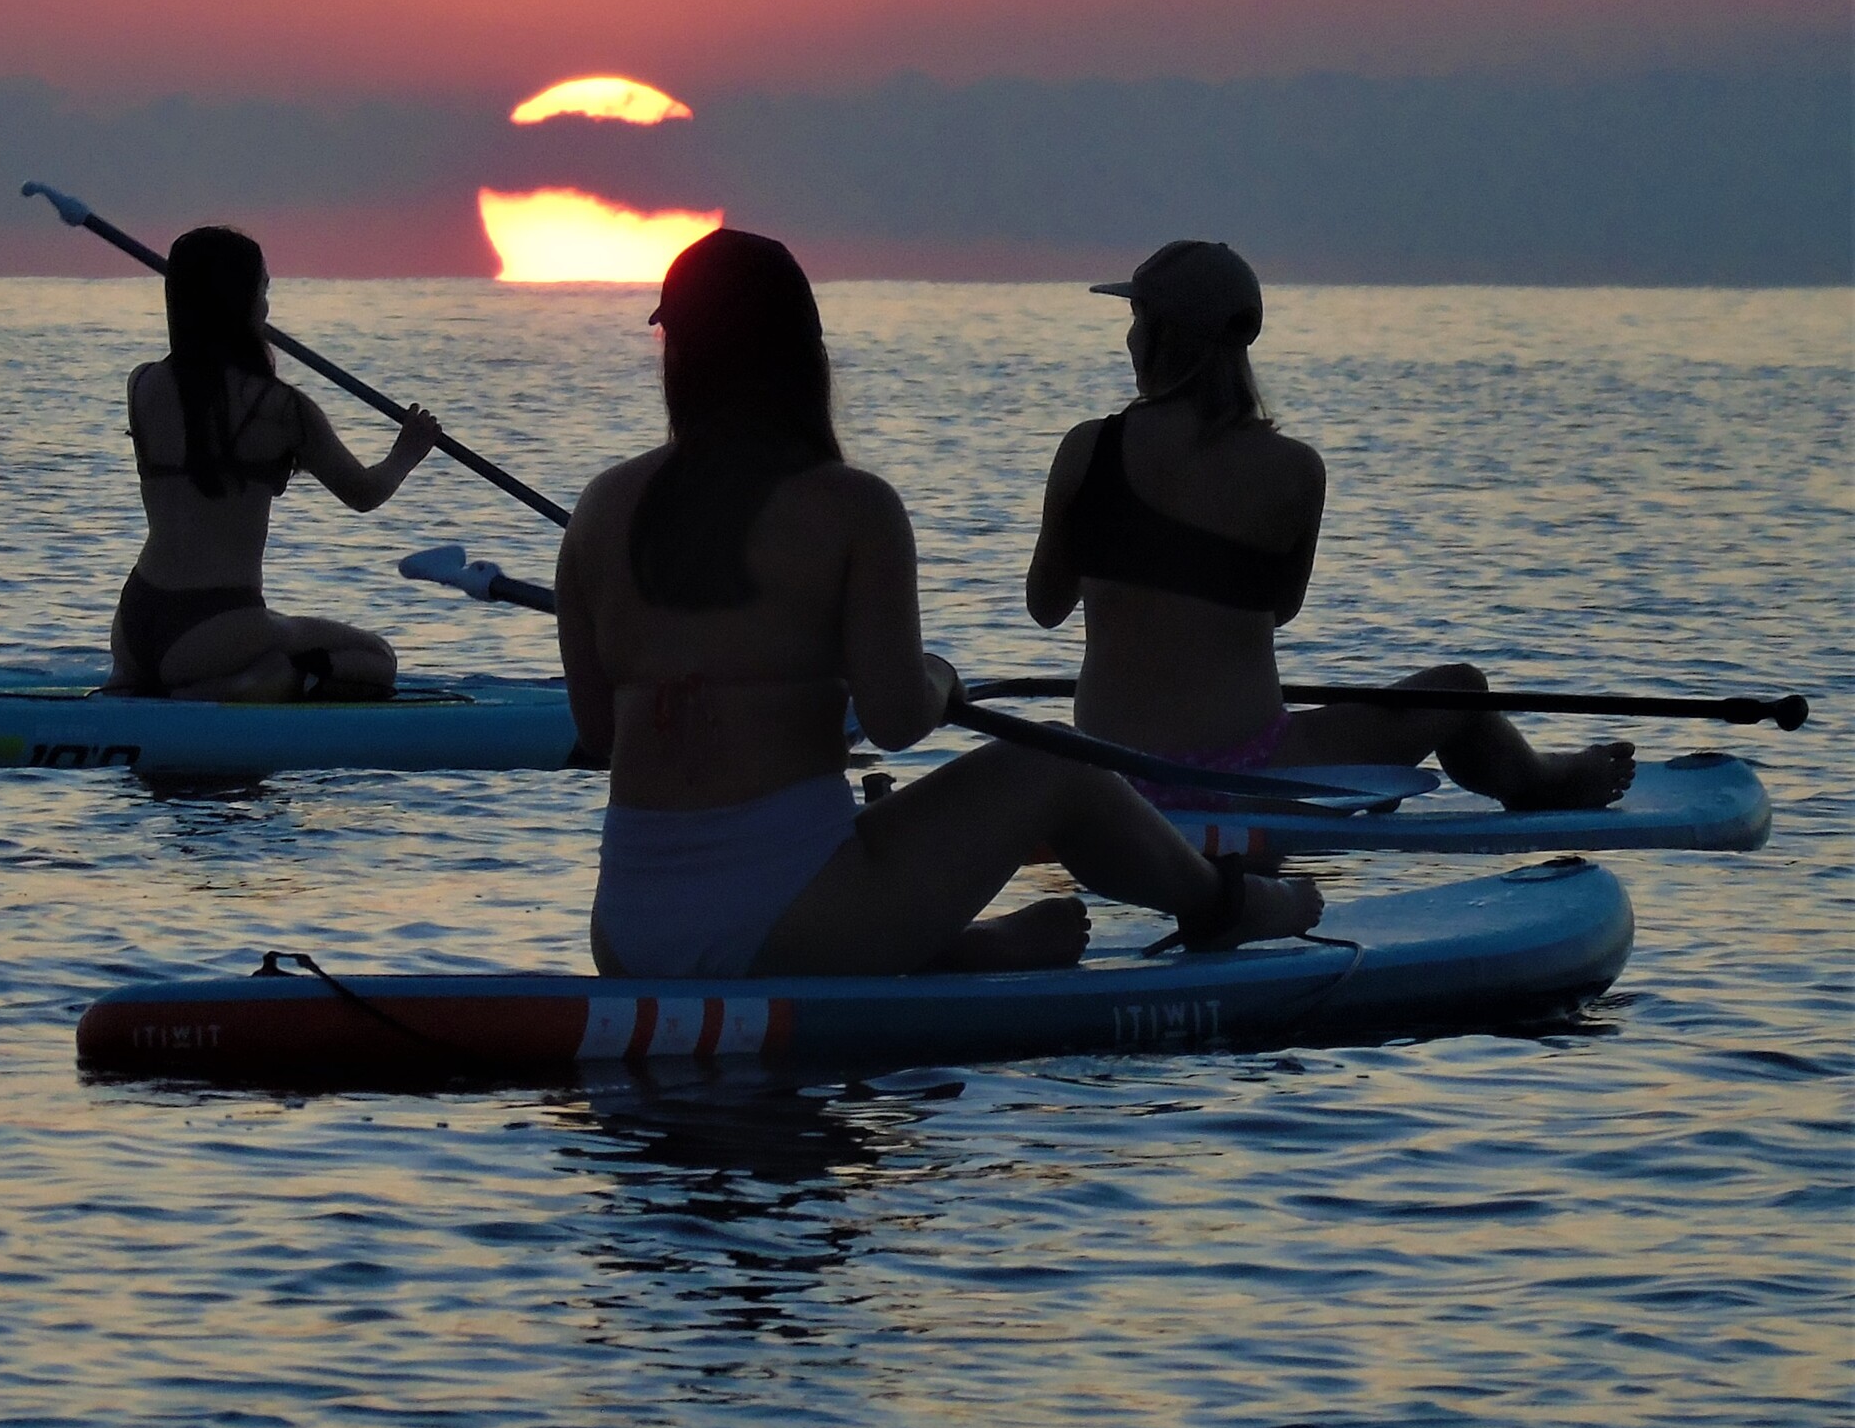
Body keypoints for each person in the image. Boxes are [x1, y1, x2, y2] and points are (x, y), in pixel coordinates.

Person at [557, 228, 1322, 981]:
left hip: (627, 929)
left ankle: (958, 949)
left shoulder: (599, 507)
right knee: (1056, 760)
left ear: (678, 352)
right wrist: (938, 678)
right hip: (787, 922)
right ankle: (1224, 904)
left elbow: (598, 732)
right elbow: (895, 720)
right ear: (803, 358)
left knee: (836, 827)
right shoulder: (854, 508)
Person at [1026, 238, 1634, 811]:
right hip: (1250, 769)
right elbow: (1280, 610)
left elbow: (1045, 605)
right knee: (1462, 690)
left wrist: (1122, 550)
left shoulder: (1088, 449)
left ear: (1156, 335)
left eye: (1136, 318)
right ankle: (1538, 782)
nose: (1130, 338)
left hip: (1108, 772)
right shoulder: (1295, 470)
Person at [107, 225, 443, 701]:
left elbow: (203, 406)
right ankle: (236, 687)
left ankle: (143, 684)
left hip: (135, 620)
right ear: (243, 301)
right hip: (218, 623)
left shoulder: (142, 386)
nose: (267, 306)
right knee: (376, 660)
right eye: (263, 290)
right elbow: (363, 493)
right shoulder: (281, 409)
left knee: (274, 636)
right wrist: (406, 453)